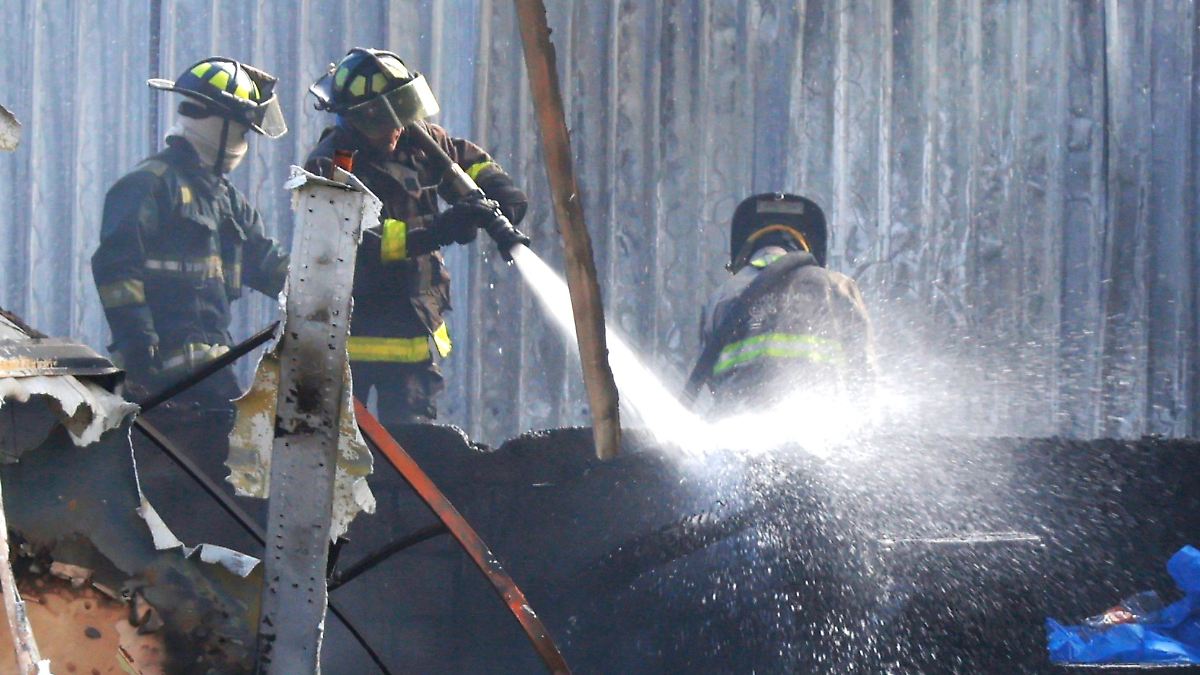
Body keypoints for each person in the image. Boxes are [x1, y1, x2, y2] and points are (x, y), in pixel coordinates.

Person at [305, 47, 529, 426]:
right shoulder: (333, 164)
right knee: (343, 458)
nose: (397, 127)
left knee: (416, 453)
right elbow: (353, 242)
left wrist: (499, 190)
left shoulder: (417, 138)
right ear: (363, 116)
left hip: (415, 332)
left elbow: (464, 158)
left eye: (401, 111)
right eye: (387, 118)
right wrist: (438, 231)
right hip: (352, 342)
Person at [92, 57, 290, 426]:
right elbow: (116, 268)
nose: (243, 143)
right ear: (220, 126)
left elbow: (266, 262)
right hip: (157, 369)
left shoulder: (226, 201)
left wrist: (324, 284)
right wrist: (138, 347)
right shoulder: (148, 185)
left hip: (210, 363)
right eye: (242, 132)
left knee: (228, 452)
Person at [686, 193, 875, 409]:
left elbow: (709, 379)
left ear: (744, 252)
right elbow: (864, 374)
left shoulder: (721, 297)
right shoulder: (837, 287)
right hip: (825, 428)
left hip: (740, 430)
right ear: (808, 246)